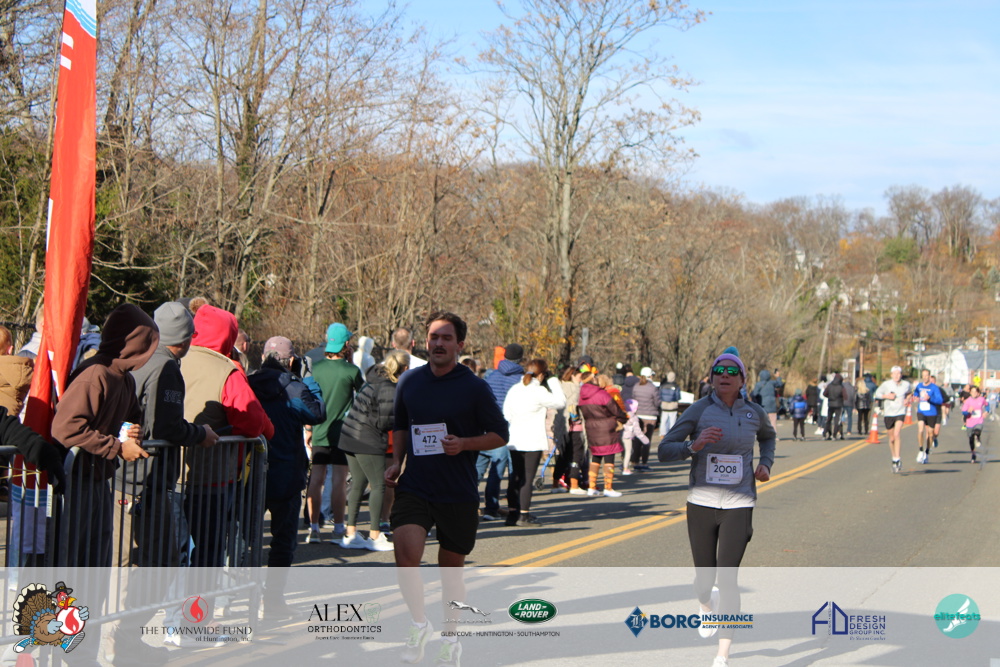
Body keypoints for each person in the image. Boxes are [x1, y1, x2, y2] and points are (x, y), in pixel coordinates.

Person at [384, 312, 508, 666]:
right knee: (406, 557)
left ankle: (451, 637)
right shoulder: (410, 381)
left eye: (446, 338)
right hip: (416, 485)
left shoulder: (474, 387)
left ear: (459, 345)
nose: (438, 343)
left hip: (457, 490)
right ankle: (418, 624)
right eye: (433, 337)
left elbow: (500, 434)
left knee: (450, 575)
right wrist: (397, 461)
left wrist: (465, 443)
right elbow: (401, 425)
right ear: (425, 342)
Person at [658, 350, 775, 667]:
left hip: (739, 503)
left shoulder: (753, 412)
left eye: (732, 371)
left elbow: (768, 438)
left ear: (742, 380)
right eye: (719, 370)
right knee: (703, 581)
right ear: (711, 378)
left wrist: (765, 464)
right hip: (702, 503)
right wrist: (692, 446)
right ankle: (705, 604)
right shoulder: (698, 410)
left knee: (727, 579)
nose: (725, 375)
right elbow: (664, 450)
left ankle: (722, 655)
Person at [52, 304, 159, 567]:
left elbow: (132, 416)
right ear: (131, 343)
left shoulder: (125, 379)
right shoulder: (95, 373)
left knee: (97, 555)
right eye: (146, 343)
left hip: (100, 478)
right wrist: (118, 448)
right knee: (72, 558)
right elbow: (66, 428)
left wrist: (132, 433)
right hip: (76, 481)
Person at [181, 304, 274, 566]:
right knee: (208, 550)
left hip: (167, 474)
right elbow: (252, 422)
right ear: (229, 335)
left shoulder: (174, 358)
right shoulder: (227, 370)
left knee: (168, 551)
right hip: (211, 475)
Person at [248, 336, 326, 609]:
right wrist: (309, 379)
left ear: (263, 357)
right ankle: (272, 601)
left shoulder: (247, 383)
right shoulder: (295, 387)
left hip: (251, 474)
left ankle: (238, 598)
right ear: (292, 360)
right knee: (283, 542)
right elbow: (317, 413)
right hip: (286, 473)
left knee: (245, 539)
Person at [338, 349, 410, 550]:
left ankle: (351, 534)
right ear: (405, 368)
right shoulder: (389, 388)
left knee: (358, 483)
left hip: (349, 434)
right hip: (367, 438)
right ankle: (375, 536)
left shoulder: (375, 379)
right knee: (379, 485)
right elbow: (385, 422)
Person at [306, 322, 363, 543]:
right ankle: (339, 528)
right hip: (343, 432)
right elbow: (363, 395)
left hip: (319, 429)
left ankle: (313, 528)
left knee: (316, 478)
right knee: (339, 480)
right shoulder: (351, 371)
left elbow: (307, 398)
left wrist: (308, 429)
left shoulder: (316, 368)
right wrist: (350, 362)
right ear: (346, 344)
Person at [502, 359, 566, 525]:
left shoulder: (514, 389)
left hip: (515, 439)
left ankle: (512, 514)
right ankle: (524, 515)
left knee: (515, 476)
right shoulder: (539, 391)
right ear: (542, 375)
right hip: (532, 440)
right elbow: (561, 402)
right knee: (527, 478)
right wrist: (553, 381)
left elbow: (506, 414)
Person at [478, 343, 523, 520]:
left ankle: (463, 504)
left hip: (484, 426)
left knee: (477, 469)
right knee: (498, 470)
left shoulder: (491, 375)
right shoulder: (520, 380)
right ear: (520, 358)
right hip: (505, 429)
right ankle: (491, 508)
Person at [578, 373, 627, 497]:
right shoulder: (601, 394)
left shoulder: (582, 396)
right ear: (592, 380)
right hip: (606, 428)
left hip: (591, 428)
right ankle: (608, 487)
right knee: (609, 457)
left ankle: (592, 487)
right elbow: (615, 409)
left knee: (596, 457)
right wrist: (623, 419)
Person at [874, 366, 911, 473]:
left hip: (900, 412)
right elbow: (876, 394)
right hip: (889, 413)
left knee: (897, 434)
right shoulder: (886, 384)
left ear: (901, 374)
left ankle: (897, 459)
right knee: (891, 439)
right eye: (894, 374)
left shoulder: (906, 384)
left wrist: (907, 399)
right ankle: (894, 457)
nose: (896, 376)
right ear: (891, 375)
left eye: (898, 373)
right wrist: (887, 396)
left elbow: (910, 392)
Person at [631, 367, 659, 472]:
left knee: (637, 440)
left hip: (638, 416)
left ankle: (635, 461)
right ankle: (644, 462)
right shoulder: (653, 388)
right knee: (646, 440)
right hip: (650, 417)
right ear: (650, 375)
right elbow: (657, 402)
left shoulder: (636, 386)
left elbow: (633, 400)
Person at [912, 369, 943, 464]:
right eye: (923, 375)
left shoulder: (934, 387)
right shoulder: (919, 386)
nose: (925, 377)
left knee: (930, 433)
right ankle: (921, 450)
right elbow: (915, 394)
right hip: (921, 411)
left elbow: (940, 400)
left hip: (932, 413)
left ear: (929, 376)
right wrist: (915, 397)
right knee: (920, 430)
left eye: (926, 375)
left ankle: (927, 451)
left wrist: (930, 399)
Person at [751, 369, 783, 435]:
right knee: (773, 421)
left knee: (762, 422)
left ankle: (763, 435)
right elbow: (780, 384)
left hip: (762, 406)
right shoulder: (772, 383)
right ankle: (773, 435)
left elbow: (754, 394)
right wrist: (778, 377)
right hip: (772, 405)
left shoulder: (758, 384)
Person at [961, 385, 987, 462]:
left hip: (979, 420)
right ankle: (973, 454)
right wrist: (968, 411)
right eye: (972, 392)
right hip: (970, 422)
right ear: (970, 392)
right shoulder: (968, 401)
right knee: (971, 439)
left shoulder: (981, 399)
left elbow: (987, 405)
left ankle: (978, 437)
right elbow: (963, 412)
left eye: (975, 392)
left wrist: (986, 411)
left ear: (978, 393)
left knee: (977, 431)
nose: (974, 393)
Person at [822, 374, 845, 440]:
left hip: (831, 404)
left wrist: (830, 397)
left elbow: (824, 394)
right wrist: (841, 399)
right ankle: (834, 434)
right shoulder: (841, 387)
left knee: (829, 419)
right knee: (837, 420)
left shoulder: (829, 386)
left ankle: (825, 433)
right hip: (838, 404)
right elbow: (845, 396)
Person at [659, 371, 682, 436]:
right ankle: (672, 433)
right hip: (673, 405)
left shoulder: (662, 386)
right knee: (672, 420)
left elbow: (659, 395)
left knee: (663, 420)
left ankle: (662, 433)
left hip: (664, 405)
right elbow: (678, 397)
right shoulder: (676, 386)